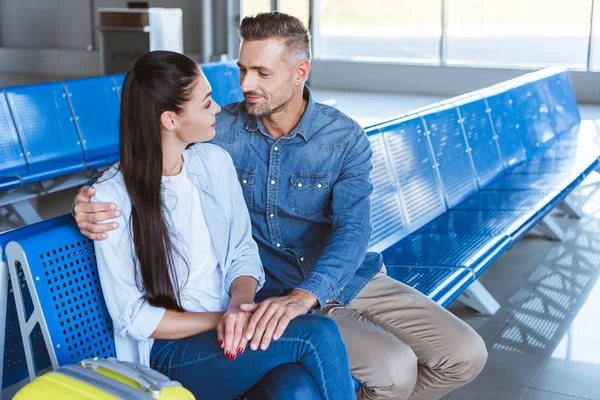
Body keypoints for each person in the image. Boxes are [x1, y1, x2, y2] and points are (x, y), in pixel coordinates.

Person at [75, 12, 487, 400]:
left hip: (341, 276)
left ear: (300, 73)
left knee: (466, 354)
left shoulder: (341, 137)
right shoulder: (221, 132)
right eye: (242, 69)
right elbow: (150, 153)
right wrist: (87, 198)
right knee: (394, 370)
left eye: (262, 73)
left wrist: (307, 295)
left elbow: (353, 230)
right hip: (269, 292)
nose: (245, 85)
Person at [90, 50, 355, 400]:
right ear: (170, 120)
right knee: (316, 333)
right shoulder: (110, 200)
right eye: (206, 103)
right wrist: (223, 319)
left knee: (297, 387)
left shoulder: (214, 162)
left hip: (227, 330)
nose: (217, 109)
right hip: (169, 354)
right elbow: (134, 319)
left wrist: (236, 308)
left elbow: (242, 252)